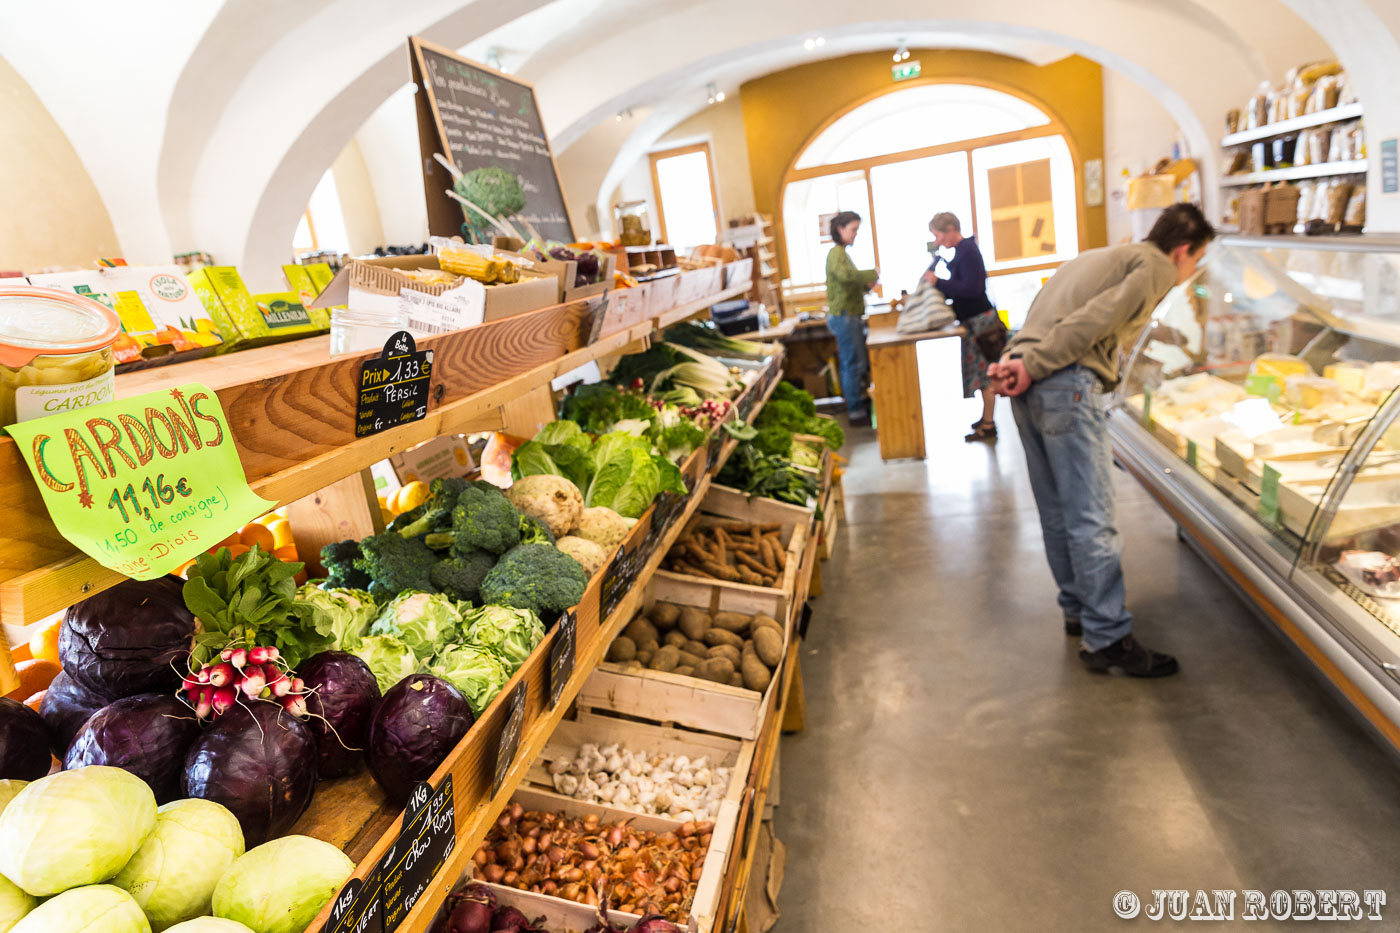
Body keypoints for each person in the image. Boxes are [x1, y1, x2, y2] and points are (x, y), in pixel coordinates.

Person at [989, 202, 1215, 678]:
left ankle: (1078, 610)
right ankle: (1108, 637)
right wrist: (1035, 366)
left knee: (1056, 510)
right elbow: (1095, 320)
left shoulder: (1104, 257)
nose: (1193, 271)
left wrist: (1023, 363)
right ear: (1181, 252)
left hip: (1032, 384)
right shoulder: (1155, 267)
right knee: (1092, 517)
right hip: (1063, 383)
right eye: (1197, 260)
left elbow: (1066, 315)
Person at [923, 212, 999, 442]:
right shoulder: (962, 252)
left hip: (981, 323)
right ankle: (986, 418)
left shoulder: (968, 252)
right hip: (973, 321)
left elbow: (972, 288)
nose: (937, 241)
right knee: (981, 374)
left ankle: (988, 424)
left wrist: (939, 283)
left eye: (938, 236)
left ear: (950, 230)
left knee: (986, 376)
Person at [824, 211, 878, 425]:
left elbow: (849, 284)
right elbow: (846, 278)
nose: (855, 234)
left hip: (850, 315)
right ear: (840, 229)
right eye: (853, 229)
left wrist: (865, 285)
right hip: (844, 317)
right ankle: (855, 411)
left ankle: (858, 404)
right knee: (852, 363)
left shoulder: (842, 253)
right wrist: (870, 275)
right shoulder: (835, 253)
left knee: (856, 362)